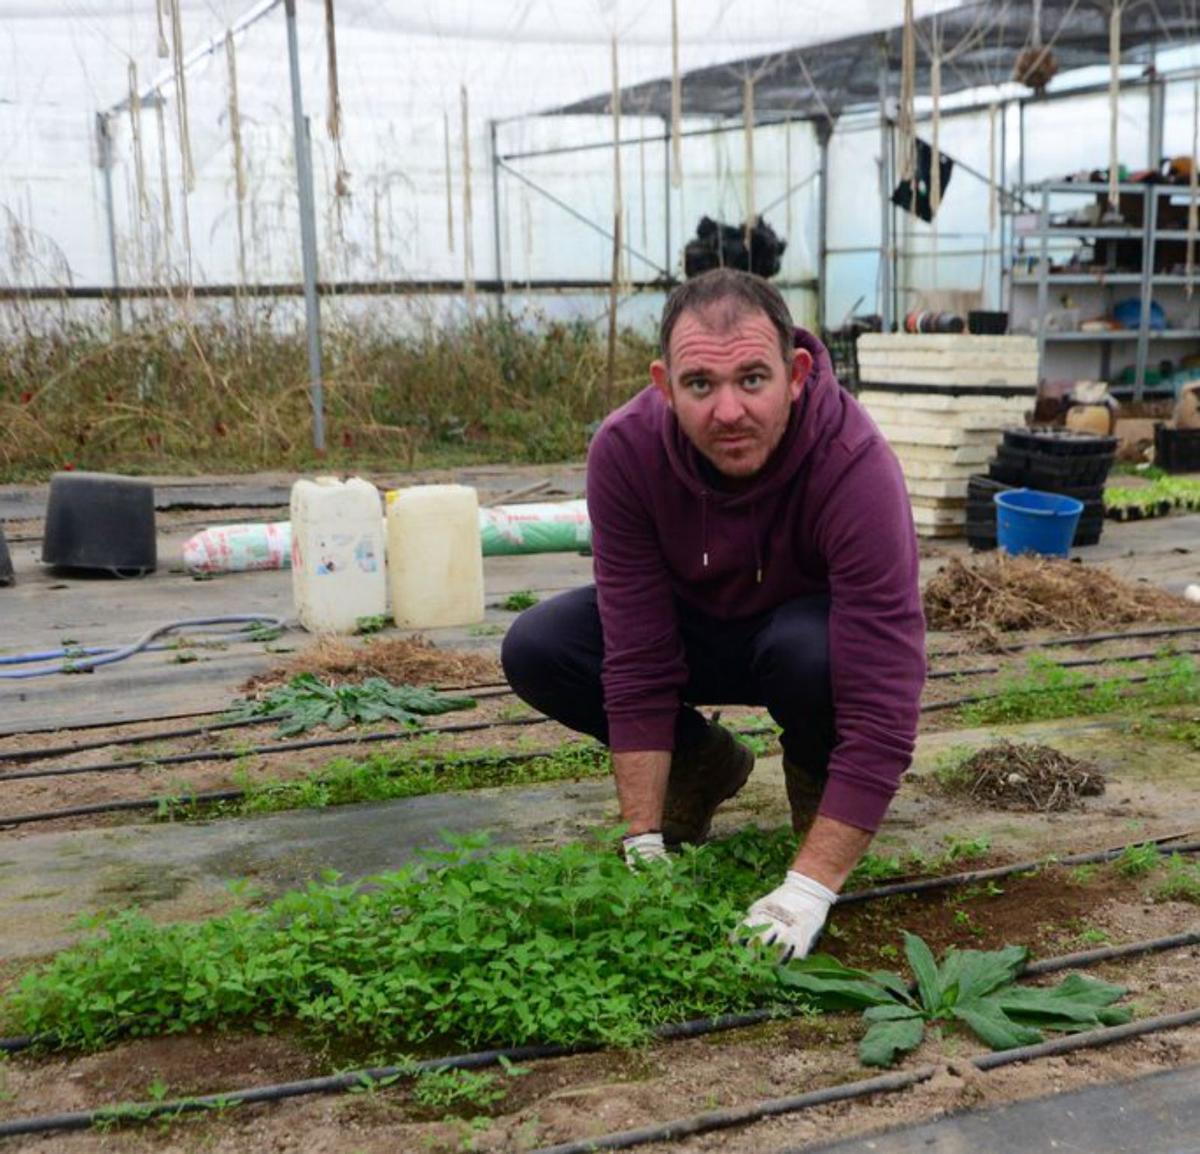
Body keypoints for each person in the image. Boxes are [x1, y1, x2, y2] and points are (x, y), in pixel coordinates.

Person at [502, 268, 925, 960]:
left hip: (800, 644)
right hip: (689, 631)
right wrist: (641, 841)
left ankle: (819, 800)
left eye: (751, 380)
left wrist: (809, 890)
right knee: (541, 644)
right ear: (665, 385)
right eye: (701, 385)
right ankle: (699, 766)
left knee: (812, 652)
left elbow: (885, 694)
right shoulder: (625, 451)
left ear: (795, 374)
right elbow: (636, 650)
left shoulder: (854, 463)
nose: (729, 412)